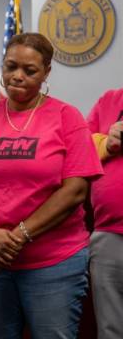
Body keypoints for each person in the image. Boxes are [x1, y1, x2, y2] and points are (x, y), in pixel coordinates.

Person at [0, 32, 102, 338]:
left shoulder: (66, 117)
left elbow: (75, 190)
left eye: (29, 70)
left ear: (46, 72)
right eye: (10, 67)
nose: (17, 76)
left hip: (53, 261)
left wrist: (15, 238)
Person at [86, 89, 123, 339]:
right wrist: (107, 143)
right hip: (109, 234)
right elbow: (80, 147)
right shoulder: (110, 99)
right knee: (110, 330)